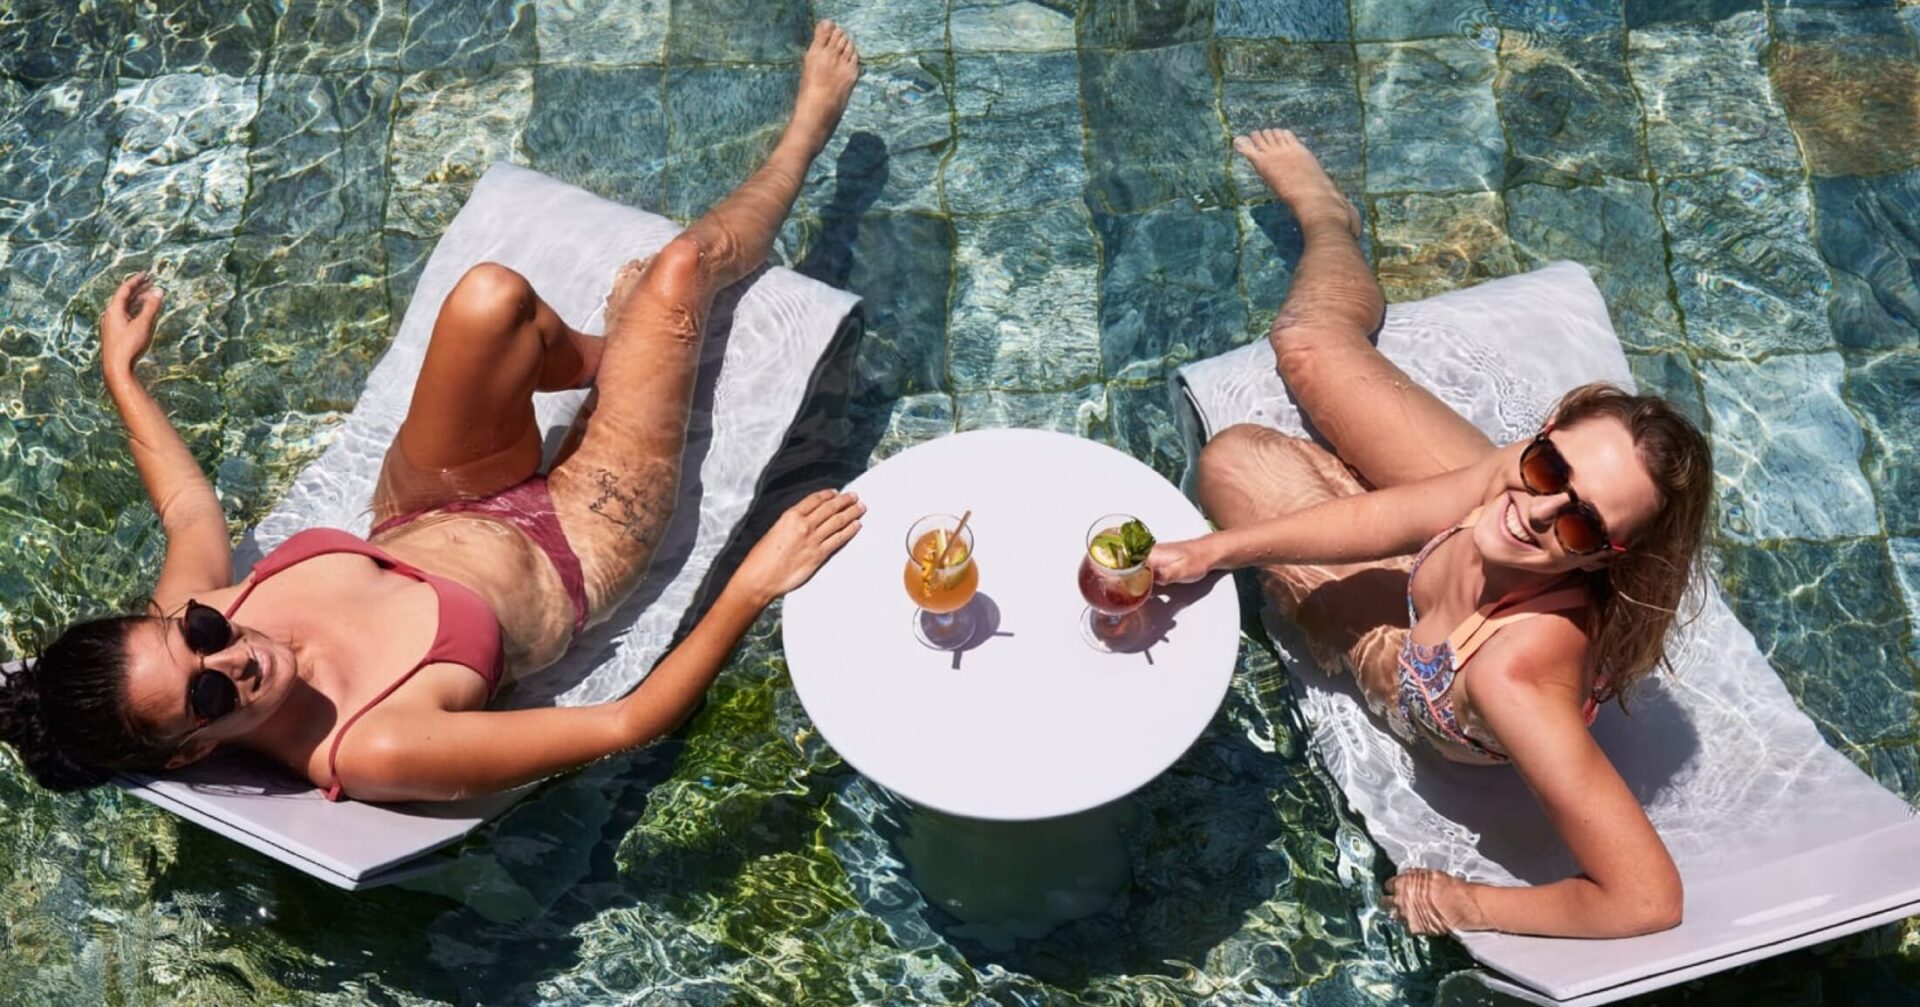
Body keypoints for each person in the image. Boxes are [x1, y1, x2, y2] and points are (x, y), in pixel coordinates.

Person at [0, 24, 867, 805]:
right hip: (576, 544)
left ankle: (615, 354)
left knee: (490, 299)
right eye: (211, 693)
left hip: (425, 507)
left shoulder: (199, 617)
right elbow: (626, 722)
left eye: (199, 631)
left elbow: (189, 510)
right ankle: (804, 135)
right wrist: (758, 579)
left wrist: (122, 374)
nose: (233, 654)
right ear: (193, 749)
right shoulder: (372, 745)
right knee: (680, 272)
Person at [1149, 129, 1712, 939]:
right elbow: (1397, 517)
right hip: (1460, 579)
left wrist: (1460, 901)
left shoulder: (1518, 678)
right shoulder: (1517, 480)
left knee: (1233, 462)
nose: (1538, 510)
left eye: (1582, 520)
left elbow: (1648, 897)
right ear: (1545, 434)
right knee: (1307, 344)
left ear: (1606, 555)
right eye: (1550, 464)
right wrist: (1211, 552)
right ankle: (1328, 218)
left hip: (1432, 661)